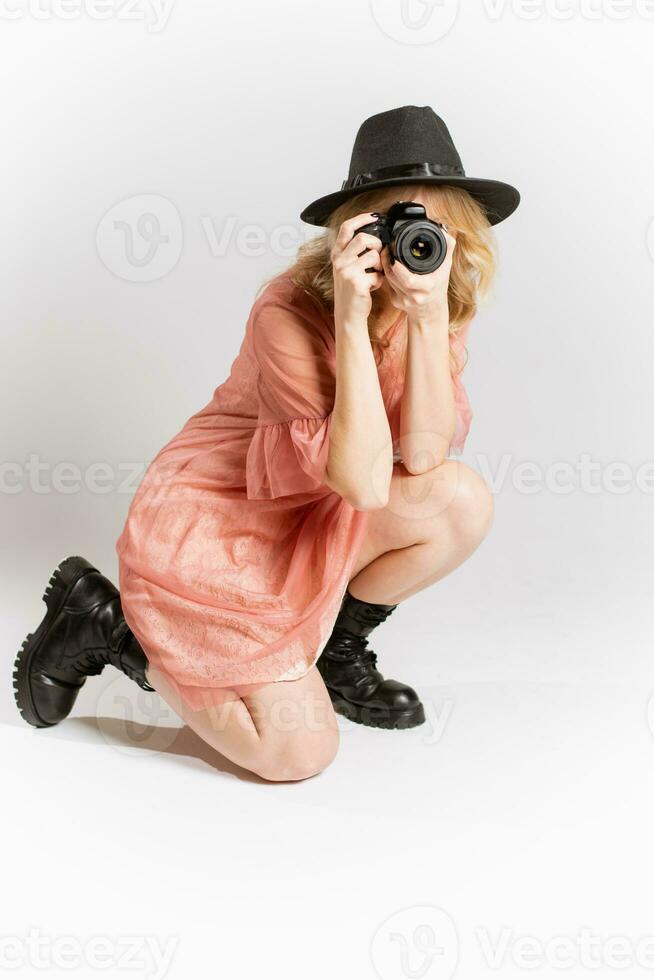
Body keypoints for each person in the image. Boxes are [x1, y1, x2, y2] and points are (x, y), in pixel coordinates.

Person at [13, 105, 520, 781]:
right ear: (354, 228)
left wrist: (427, 322)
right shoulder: (288, 309)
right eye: (396, 224)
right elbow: (366, 486)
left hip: (314, 515)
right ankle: (112, 628)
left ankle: (335, 654)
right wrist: (350, 315)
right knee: (297, 755)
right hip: (219, 531)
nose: (414, 244)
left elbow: (424, 459)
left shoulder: (437, 302)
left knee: (459, 500)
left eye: (433, 227)